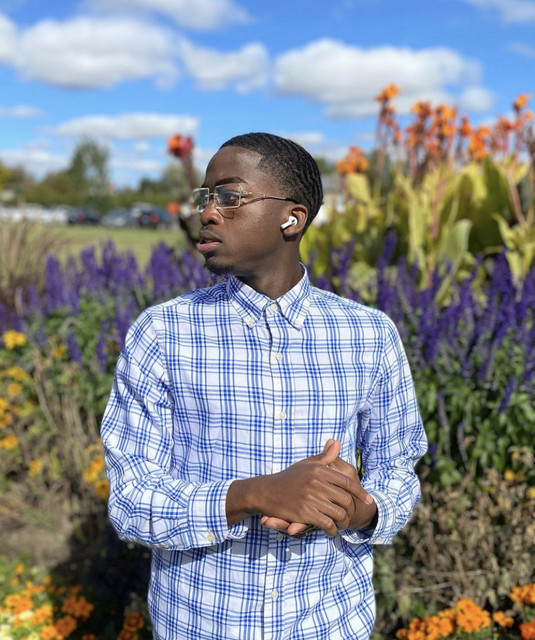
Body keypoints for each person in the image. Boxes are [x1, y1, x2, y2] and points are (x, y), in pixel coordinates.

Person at [101, 132, 428, 640]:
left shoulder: (368, 334)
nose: (209, 212)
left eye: (230, 196)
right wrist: (253, 495)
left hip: (328, 623)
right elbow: (129, 498)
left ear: (291, 219)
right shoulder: (164, 332)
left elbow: (398, 471)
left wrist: (359, 507)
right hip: (200, 623)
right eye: (205, 197)